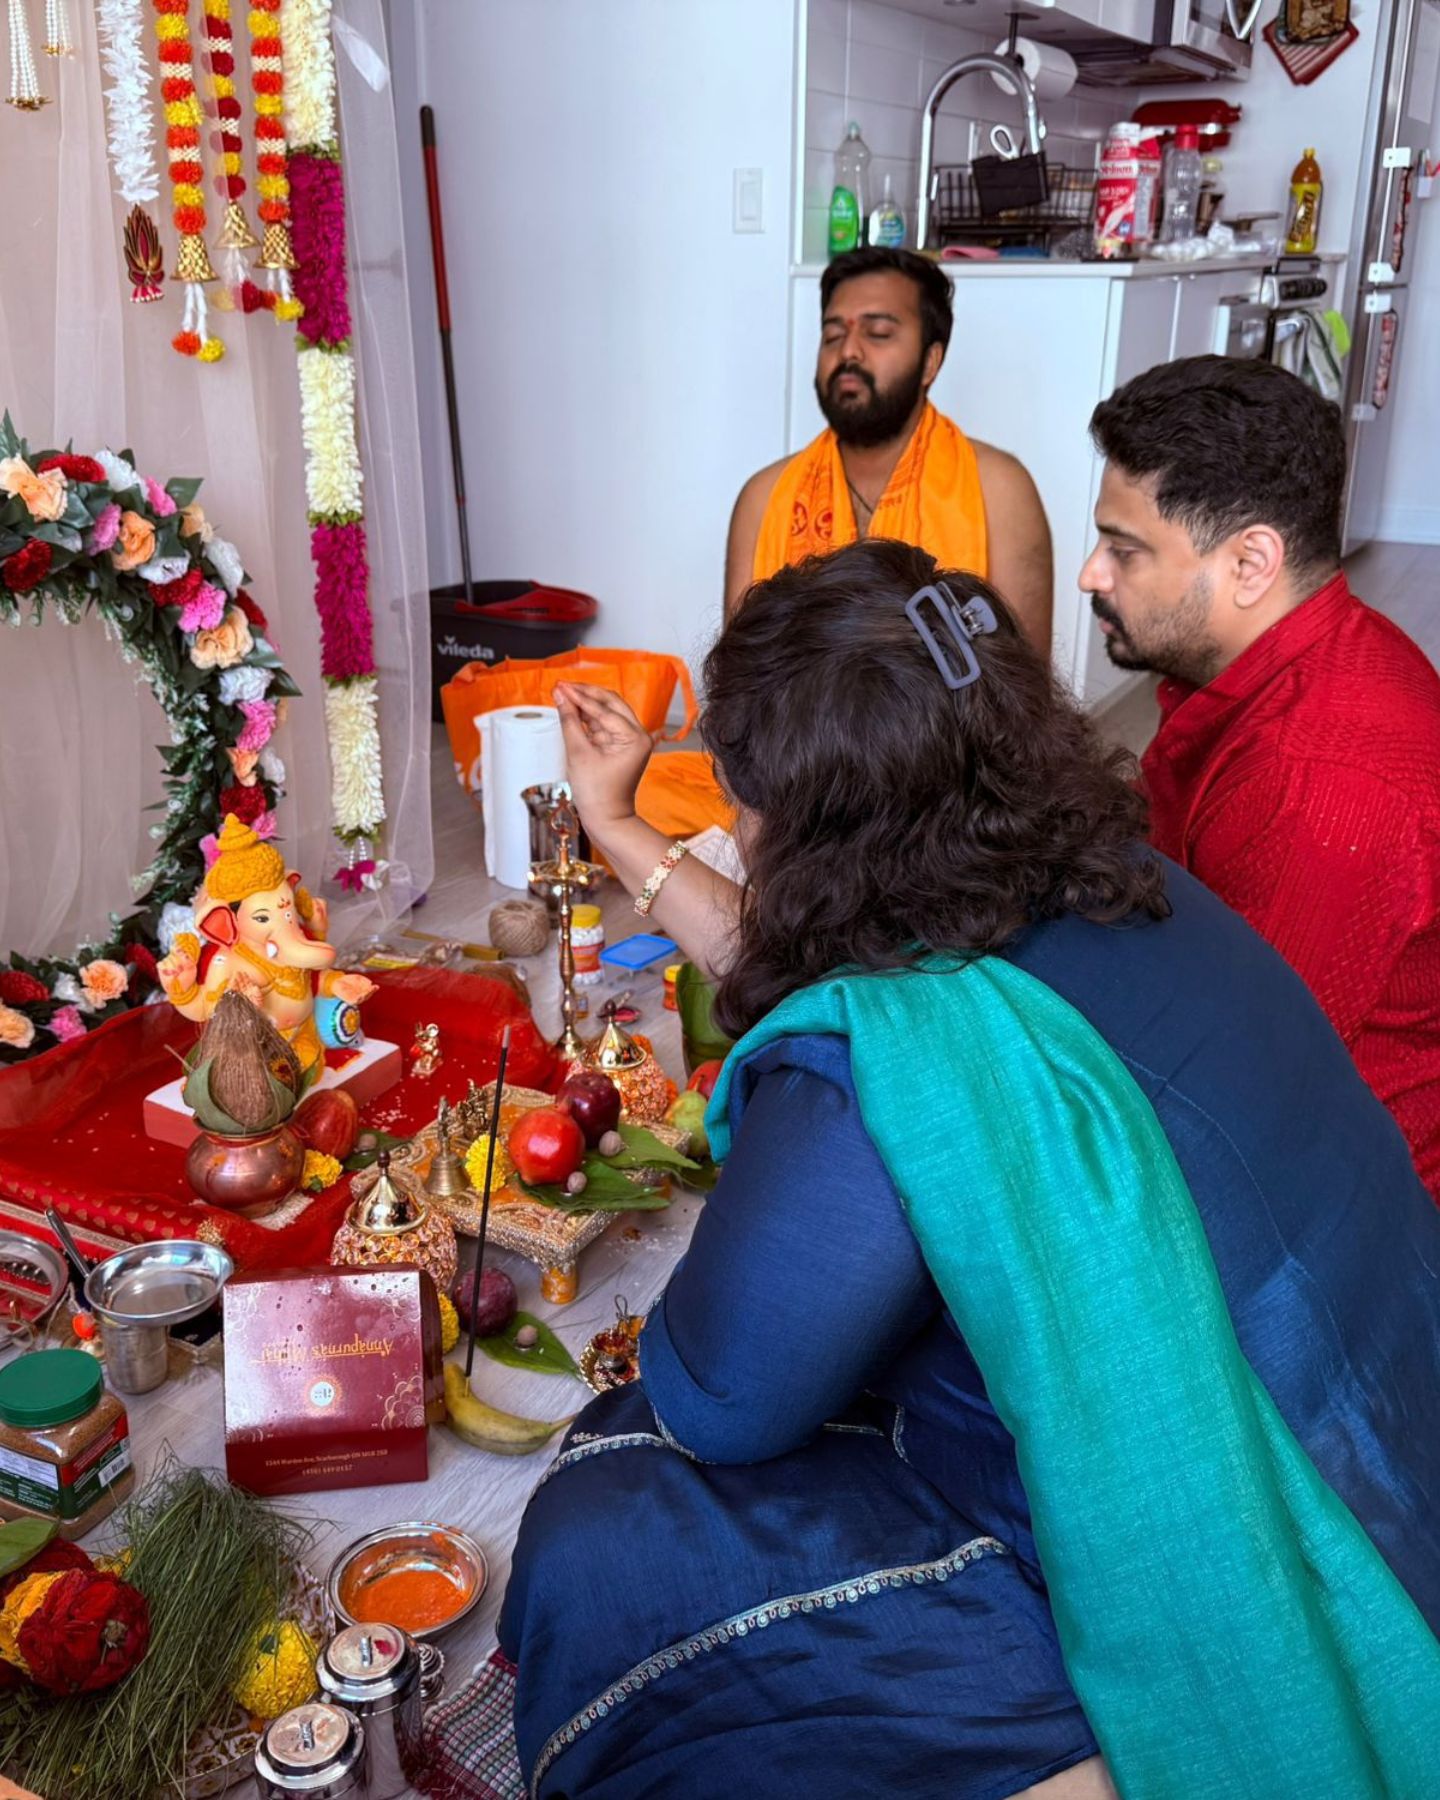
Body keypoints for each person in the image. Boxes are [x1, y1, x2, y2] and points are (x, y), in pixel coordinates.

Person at [503, 541, 1440, 1800]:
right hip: (1397, 1449)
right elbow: (835, 974)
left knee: (613, 1521)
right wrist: (615, 822)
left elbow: (721, 1396)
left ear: (819, 829)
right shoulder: (1109, 884)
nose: (736, 822)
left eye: (748, 795)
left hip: (1285, 1562)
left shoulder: (897, 1054)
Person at [1083, 354, 1440, 1200]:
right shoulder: (1286, 666)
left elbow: (1231, 1098)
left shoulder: (1320, 783)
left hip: (1336, 1212)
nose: (1093, 574)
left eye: (1125, 550)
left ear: (1250, 564)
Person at [724, 246, 1053, 651]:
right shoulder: (765, 497)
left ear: (931, 362)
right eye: (833, 335)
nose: (848, 351)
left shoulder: (998, 490)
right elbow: (737, 679)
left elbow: (1027, 687)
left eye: (877, 333)